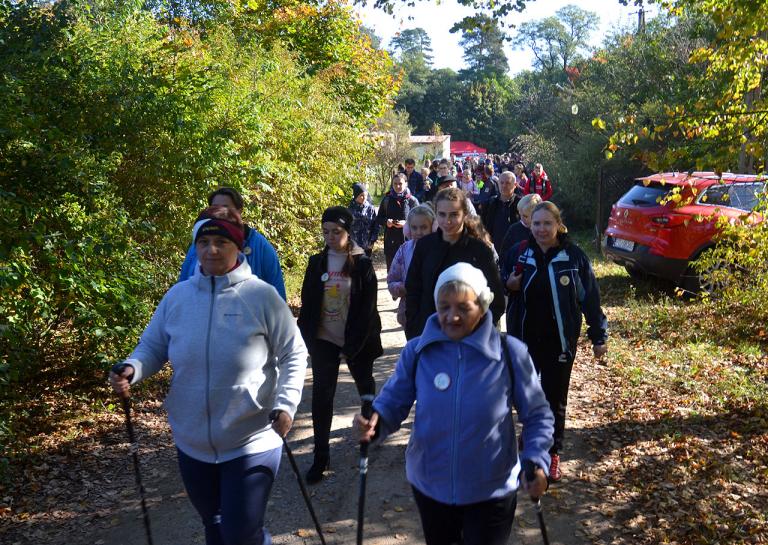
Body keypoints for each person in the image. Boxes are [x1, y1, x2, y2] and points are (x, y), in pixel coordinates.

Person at [109, 205, 308, 545]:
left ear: (237, 248)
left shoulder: (261, 296)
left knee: (239, 533)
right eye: (204, 242)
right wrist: (133, 368)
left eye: (220, 242)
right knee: (214, 529)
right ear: (195, 248)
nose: (211, 249)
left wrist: (286, 404)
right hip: (192, 443)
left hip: (252, 438)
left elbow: (294, 353)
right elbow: (153, 347)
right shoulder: (178, 297)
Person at [355, 263, 554, 545]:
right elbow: (393, 400)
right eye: (444, 306)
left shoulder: (509, 353)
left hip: (491, 490)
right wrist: (374, 423)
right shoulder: (418, 350)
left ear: (483, 306)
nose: (452, 316)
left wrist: (536, 459)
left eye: (464, 307)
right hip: (430, 486)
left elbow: (537, 416)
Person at [503, 201, 608, 482]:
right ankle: (531, 430)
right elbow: (499, 282)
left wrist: (598, 335)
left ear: (558, 225)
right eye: (536, 223)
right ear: (529, 225)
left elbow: (590, 298)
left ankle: (552, 453)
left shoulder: (574, 258)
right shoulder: (519, 253)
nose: (541, 229)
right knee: (525, 394)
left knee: (555, 399)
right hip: (524, 340)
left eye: (547, 223)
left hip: (560, 342)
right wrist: (507, 284)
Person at [297, 206, 382, 484]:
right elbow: (308, 304)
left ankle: (370, 431)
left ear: (348, 232)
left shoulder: (363, 264)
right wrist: (309, 338)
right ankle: (321, 456)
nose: (330, 237)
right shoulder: (316, 263)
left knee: (365, 385)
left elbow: (367, 311)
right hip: (324, 340)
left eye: (336, 232)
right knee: (322, 398)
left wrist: (352, 346)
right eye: (326, 232)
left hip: (357, 340)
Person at [405, 187, 505, 340]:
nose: (447, 221)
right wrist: (415, 328)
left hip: (471, 339)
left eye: (454, 215)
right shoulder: (425, 246)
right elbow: (413, 289)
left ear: (464, 214)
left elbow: (495, 299)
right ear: (436, 214)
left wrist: (479, 332)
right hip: (430, 334)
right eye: (442, 215)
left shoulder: (480, 250)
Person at [179, 187, 286, 300]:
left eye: (225, 208)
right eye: (215, 208)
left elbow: (278, 296)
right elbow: (183, 285)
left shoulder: (260, 247)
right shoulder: (198, 246)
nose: (219, 213)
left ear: (239, 211)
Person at [387, 205, 436, 328]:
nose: (419, 232)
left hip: (435, 313)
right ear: (408, 229)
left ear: (434, 228)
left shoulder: (439, 250)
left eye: (424, 227)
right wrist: (401, 288)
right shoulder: (404, 250)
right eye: (414, 227)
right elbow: (392, 280)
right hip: (410, 312)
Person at [377, 173, 419, 271]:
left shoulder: (412, 201)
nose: (397, 186)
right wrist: (386, 222)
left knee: (408, 273)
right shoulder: (387, 200)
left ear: (406, 184)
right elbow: (379, 218)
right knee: (392, 272)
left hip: (408, 242)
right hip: (390, 242)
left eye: (400, 183)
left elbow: (420, 221)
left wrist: (407, 224)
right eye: (395, 184)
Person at [481, 171, 524, 255]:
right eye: (501, 183)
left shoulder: (521, 204)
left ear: (515, 185)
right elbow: (483, 225)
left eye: (508, 183)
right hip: (493, 249)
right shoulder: (490, 203)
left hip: (515, 250)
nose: (504, 185)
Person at [499, 193, 542, 262]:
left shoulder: (545, 231)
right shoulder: (514, 229)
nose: (521, 219)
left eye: (525, 216)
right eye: (520, 215)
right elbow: (504, 255)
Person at [348, 182, 379, 257]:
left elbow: (376, 225)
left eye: (365, 195)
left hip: (367, 245)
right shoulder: (350, 209)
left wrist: (372, 241)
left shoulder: (370, 209)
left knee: (365, 265)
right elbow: (346, 227)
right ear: (356, 196)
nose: (364, 197)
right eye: (361, 195)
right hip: (354, 245)